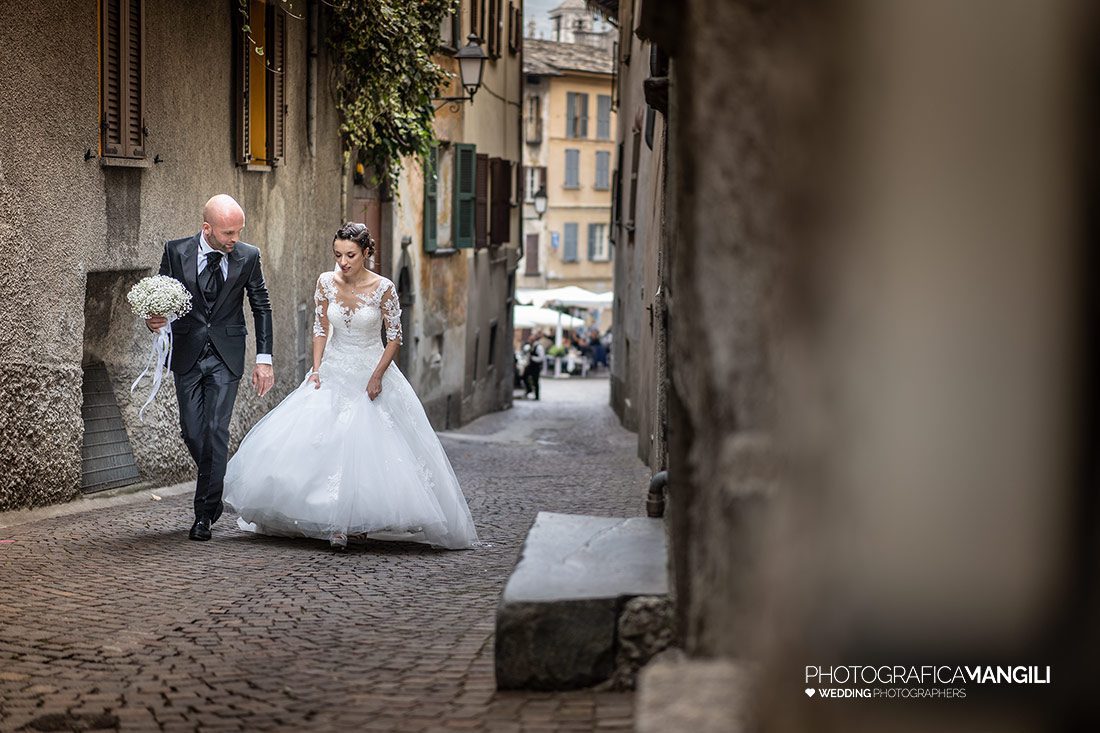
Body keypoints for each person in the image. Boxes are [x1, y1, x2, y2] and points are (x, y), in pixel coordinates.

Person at [223, 223, 478, 551]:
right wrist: (316, 368)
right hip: (333, 366)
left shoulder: (383, 288)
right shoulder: (325, 282)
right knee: (319, 441)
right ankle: (329, 519)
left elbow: (394, 337)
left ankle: (357, 522)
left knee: (365, 444)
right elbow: (319, 326)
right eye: (338, 255)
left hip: (369, 368)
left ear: (367, 253)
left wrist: (376, 376)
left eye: (351, 255)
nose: (343, 262)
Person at [145, 194, 275, 542]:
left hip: (226, 355)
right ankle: (215, 480)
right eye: (228, 233)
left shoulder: (248, 257)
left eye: (238, 232)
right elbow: (159, 300)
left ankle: (204, 514)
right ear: (207, 229)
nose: (235, 239)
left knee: (217, 428)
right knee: (192, 430)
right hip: (187, 353)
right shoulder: (175, 252)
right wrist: (153, 321)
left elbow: (261, 307)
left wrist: (264, 359)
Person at [523, 331, 546, 399]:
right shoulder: (530, 346)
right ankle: (529, 389)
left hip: (536, 366)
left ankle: (537, 395)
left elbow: (541, 358)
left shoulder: (538, 347)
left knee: (535, 380)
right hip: (530, 365)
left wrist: (532, 358)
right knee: (524, 376)